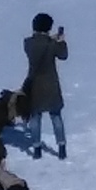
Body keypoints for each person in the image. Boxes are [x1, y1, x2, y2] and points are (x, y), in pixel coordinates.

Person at [23, 12, 68, 158]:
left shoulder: (28, 43)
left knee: (35, 118)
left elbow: (37, 44)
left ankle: (36, 149)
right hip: (51, 85)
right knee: (56, 116)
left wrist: (49, 39)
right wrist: (60, 41)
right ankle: (61, 147)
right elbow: (63, 55)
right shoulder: (52, 44)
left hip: (35, 85)